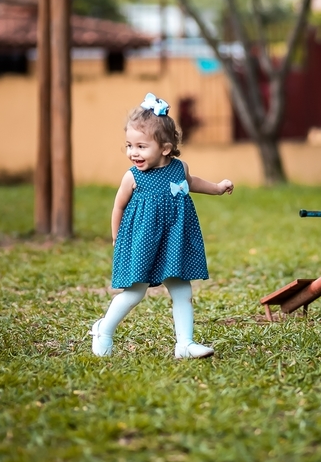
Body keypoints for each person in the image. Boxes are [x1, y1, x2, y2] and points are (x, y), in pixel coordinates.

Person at [90, 93, 234, 359]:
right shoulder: (132, 177)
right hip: (142, 241)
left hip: (173, 240)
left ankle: (185, 344)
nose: (133, 152)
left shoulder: (179, 168)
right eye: (129, 145)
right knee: (135, 292)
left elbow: (192, 182)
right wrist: (116, 238)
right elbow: (118, 206)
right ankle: (104, 329)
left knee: (181, 288)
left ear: (165, 148)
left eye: (141, 146)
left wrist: (217, 188)